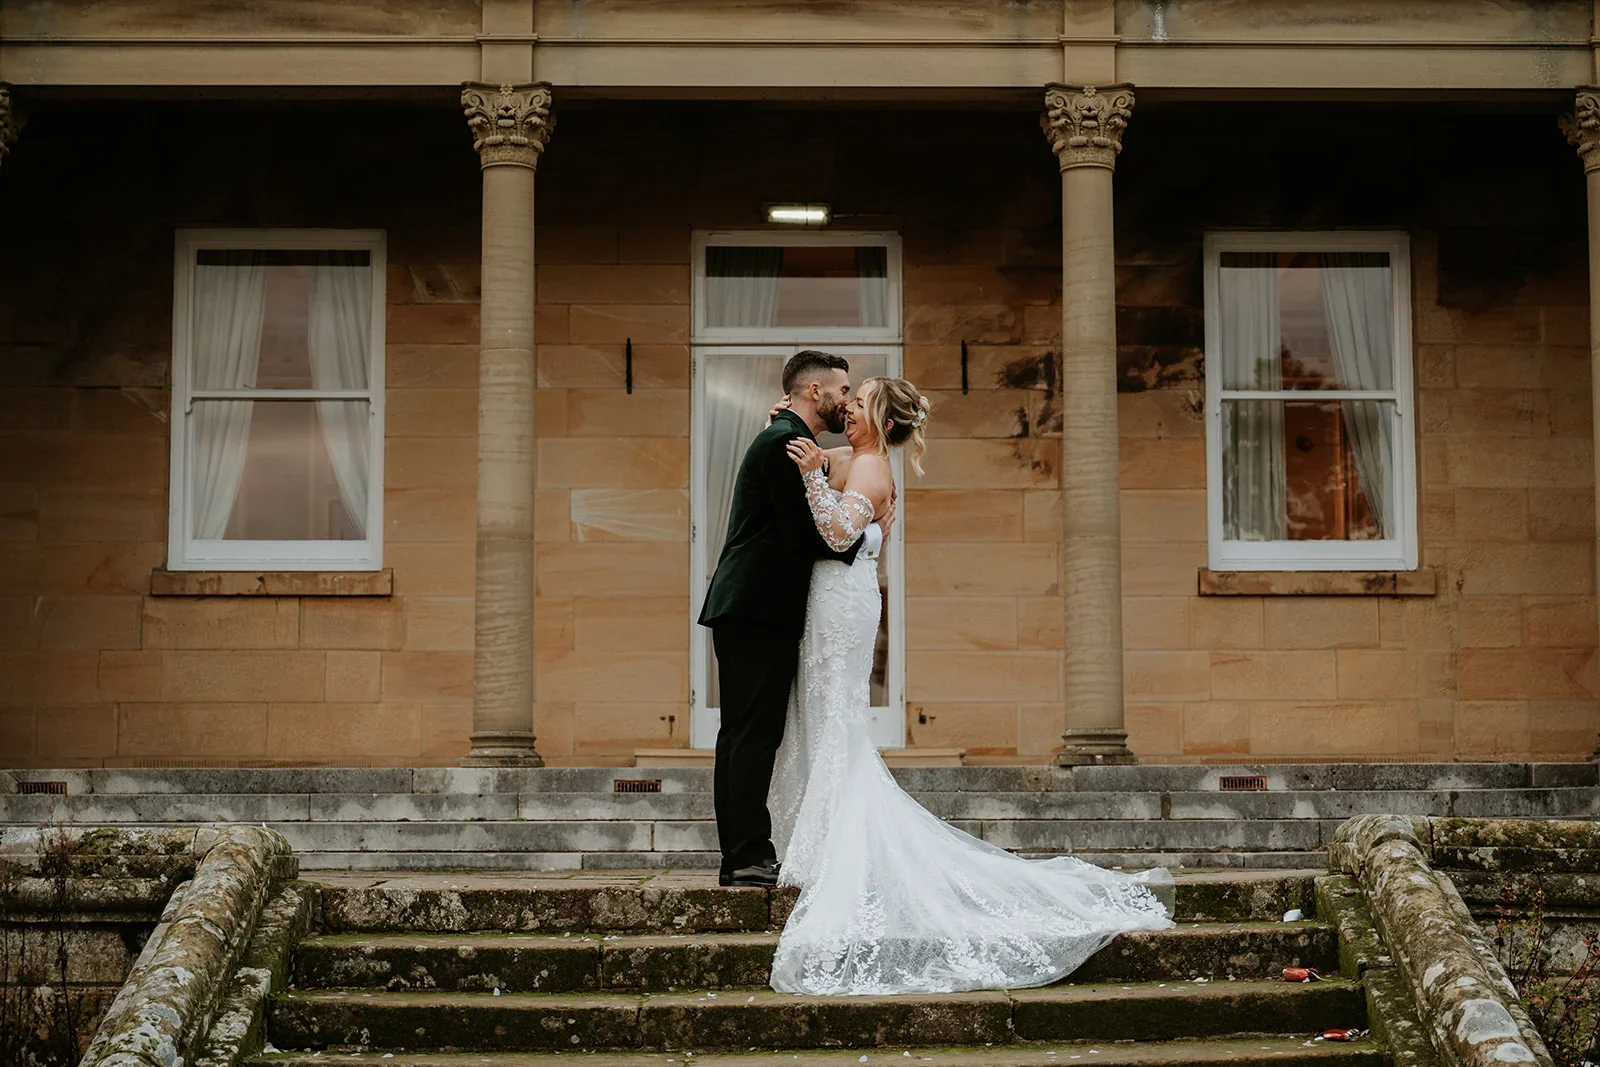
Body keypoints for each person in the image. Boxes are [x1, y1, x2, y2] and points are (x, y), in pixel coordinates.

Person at [766, 374, 1176, 995]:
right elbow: (825, 457)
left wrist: (810, 478)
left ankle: (834, 852)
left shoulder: (873, 469)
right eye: (844, 403)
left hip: (844, 604)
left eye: (857, 404)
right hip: (827, 602)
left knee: (837, 719)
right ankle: (820, 844)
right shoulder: (857, 456)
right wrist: (798, 430)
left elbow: (837, 533)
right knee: (821, 717)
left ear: (880, 417)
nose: (846, 411)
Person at [698, 350, 895, 888]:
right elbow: (812, 537)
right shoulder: (787, 443)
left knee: (754, 733)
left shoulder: (790, 438)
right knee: (751, 735)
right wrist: (863, 537)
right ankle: (745, 857)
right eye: (843, 391)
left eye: (858, 397)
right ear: (816, 393)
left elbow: (833, 489)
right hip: (757, 609)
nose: (847, 401)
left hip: (760, 608)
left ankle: (749, 853)